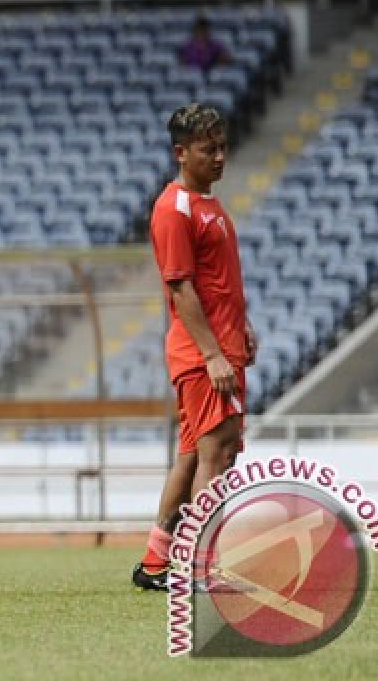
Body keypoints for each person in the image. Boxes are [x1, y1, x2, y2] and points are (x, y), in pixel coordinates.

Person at [132, 104, 256, 592]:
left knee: (191, 456)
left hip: (221, 349)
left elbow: (217, 284)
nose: (220, 157)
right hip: (205, 357)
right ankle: (202, 565)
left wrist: (242, 327)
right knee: (218, 454)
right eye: (210, 149)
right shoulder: (174, 209)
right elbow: (180, 288)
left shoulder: (211, 206)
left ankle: (157, 560)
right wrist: (213, 354)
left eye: (223, 147)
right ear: (181, 153)